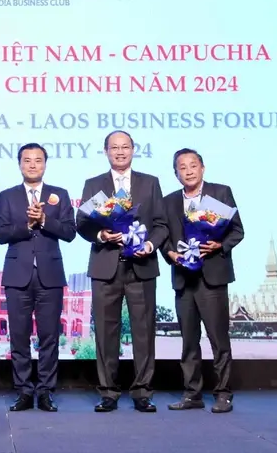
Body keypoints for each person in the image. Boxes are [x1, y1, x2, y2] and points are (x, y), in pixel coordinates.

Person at [76, 130, 168, 413]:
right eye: (114, 147)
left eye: (125, 147)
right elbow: (82, 223)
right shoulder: (94, 184)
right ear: (106, 151)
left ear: (133, 150)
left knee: (144, 332)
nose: (120, 152)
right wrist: (102, 235)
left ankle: (142, 392)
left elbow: (161, 224)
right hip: (105, 266)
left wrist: (150, 245)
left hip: (142, 266)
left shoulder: (150, 183)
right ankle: (108, 392)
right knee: (106, 333)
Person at [162, 148, 244, 414]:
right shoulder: (168, 201)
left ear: (202, 168)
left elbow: (237, 231)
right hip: (183, 279)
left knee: (218, 340)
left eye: (193, 165)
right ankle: (192, 394)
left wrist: (219, 245)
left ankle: (223, 394)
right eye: (182, 167)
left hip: (212, 278)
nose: (188, 171)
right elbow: (163, 237)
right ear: (176, 173)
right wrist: (170, 253)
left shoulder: (220, 193)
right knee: (189, 341)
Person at [0, 143, 76, 412]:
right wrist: (27, 226)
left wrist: (43, 221)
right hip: (16, 275)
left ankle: (45, 391)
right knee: (18, 336)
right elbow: (0, 234)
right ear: (20, 164)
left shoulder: (59, 194)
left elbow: (69, 232)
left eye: (38, 160)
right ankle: (23, 391)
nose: (32, 165)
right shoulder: (7, 196)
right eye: (27, 160)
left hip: (50, 275)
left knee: (49, 336)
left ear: (45, 164)